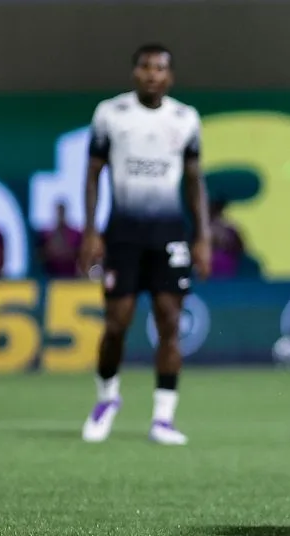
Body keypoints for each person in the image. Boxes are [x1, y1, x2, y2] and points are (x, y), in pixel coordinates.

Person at [78, 43, 211, 446]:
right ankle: (106, 400)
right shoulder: (110, 114)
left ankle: (163, 419)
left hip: (168, 233)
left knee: (170, 323)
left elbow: (194, 180)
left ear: (169, 77)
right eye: (146, 67)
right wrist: (90, 231)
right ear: (135, 72)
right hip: (123, 233)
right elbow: (93, 174)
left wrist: (202, 235)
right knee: (116, 324)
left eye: (160, 68)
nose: (153, 74)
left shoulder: (185, 118)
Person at [38, 200, 83, 278]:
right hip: (51, 278)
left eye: (61, 212)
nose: (60, 215)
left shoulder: (76, 234)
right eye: (58, 212)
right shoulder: (46, 235)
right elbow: (44, 255)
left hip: (71, 278)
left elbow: (78, 255)